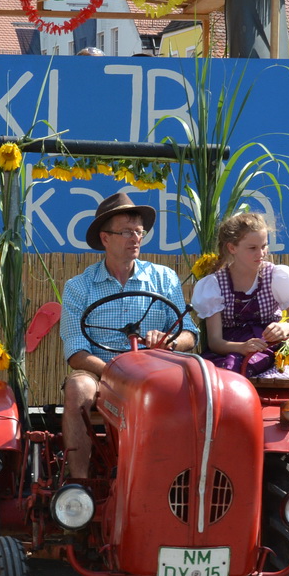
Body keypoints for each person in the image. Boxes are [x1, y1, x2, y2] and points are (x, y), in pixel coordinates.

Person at [58, 193, 195, 478]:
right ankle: (79, 487)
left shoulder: (164, 278)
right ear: (105, 239)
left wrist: (169, 342)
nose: (135, 238)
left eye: (139, 232)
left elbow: (190, 333)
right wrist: (117, 372)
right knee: (77, 388)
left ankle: (179, 477)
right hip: (102, 375)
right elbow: (77, 354)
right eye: (126, 232)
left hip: (156, 373)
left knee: (197, 385)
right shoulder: (78, 287)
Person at [193, 212, 289, 374]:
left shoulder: (275, 276)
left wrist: (285, 328)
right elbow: (215, 342)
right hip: (228, 353)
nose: (261, 253)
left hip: (267, 354)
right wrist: (241, 347)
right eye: (252, 248)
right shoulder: (215, 284)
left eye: (264, 246)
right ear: (232, 247)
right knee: (213, 376)